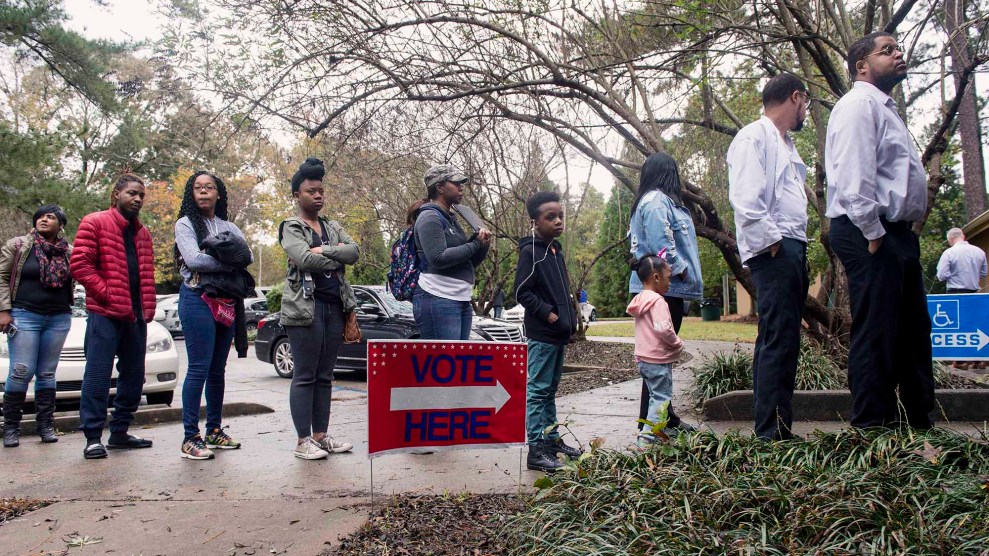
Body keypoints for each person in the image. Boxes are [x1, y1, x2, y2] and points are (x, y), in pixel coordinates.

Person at [825, 32, 935, 429]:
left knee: (913, 330)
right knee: (878, 330)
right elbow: (855, 180)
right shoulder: (857, 106)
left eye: (899, 48)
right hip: (869, 232)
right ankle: (872, 427)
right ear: (862, 66)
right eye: (887, 50)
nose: (898, 54)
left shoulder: (885, 108)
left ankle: (919, 423)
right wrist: (874, 233)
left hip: (896, 233)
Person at [727, 73, 811, 441]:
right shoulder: (753, 136)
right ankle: (769, 433)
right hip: (775, 249)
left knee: (785, 337)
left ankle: (778, 427)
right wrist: (774, 244)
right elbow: (747, 199)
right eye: (806, 102)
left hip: (792, 245)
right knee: (777, 337)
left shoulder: (787, 144)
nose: (806, 109)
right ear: (795, 97)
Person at [70, 173, 157, 459]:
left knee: (134, 376)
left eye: (141, 195)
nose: (137, 199)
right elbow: (80, 265)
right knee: (97, 375)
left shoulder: (142, 233)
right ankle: (93, 437)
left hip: (135, 315)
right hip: (104, 313)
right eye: (132, 193)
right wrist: (107, 293)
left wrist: (144, 307)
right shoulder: (95, 222)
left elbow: (145, 275)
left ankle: (119, 432)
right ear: (116, 194)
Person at [279, 157, 357, 460]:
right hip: (304, 309)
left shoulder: (331, 226)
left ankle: (321, 436)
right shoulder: (291, 226)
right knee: (305, 375)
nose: (318, 195)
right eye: (311, 191)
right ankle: (302, 441)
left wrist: (324, 250)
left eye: (321, 190)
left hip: (334, 306)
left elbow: (354, 253)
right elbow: (303, 259)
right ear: (298, 195)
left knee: (325, 375)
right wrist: (337, 257)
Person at [174, 171, 251, 460]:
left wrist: (227, 260)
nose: (204, 192)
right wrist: (230, 261)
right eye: (198, 187)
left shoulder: (229, 225)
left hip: (226, 301)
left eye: (210, 187)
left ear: (219, 193)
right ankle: (190, 436)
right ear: (191, 193)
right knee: (199, 368)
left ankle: (214, 430)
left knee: (218, 370)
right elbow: (193, 259)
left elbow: (249, 257)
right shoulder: (185, 224)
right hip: (197, 298)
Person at [628, 152, 701, 433]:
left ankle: (659, 420)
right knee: (659, 356)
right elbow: (662, 245)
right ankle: (658, 425)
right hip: (664, 288)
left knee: (656, 357)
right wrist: (681, 269)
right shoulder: (658, 201)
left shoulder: (646, 202)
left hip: (659, 286)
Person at [514, 191, 582, 472]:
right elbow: (522, 291)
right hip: (543, 334)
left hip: (557, 335)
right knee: (538, 391)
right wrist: (550, 314)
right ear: (535, 222)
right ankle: (536, 448)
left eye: (560, 216)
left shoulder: (555, 251)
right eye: (550, 217)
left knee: (550, 390)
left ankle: (552, 439)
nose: (557, 222)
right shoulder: (532, 252)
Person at [0, 205, 73, 447]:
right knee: (21, 370)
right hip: (24, 315)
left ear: (60, 224)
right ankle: (11, 428)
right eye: (40, 216)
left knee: (47, 373)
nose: (44, 219)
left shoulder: (68, 252)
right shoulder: (19, 245)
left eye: (50, 217)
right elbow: (1, 276)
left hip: (58, 317)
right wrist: (3, 310)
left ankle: (45, 425)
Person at [412, 164, 491, 340]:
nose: (461, 187)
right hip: (438, 298)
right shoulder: (429, 217)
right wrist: (475, 244)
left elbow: (467, 262)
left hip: (461, 299)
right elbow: (438, 258)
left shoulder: (452, 219)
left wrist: (483, 244)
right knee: (445, 364)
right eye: (455, 183)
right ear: (439, 187)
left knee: (457, 364)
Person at [627, 254, 683, 446]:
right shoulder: (658, 301)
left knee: (654, 398)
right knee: (661, 400)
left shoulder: (640, 300)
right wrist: (677, 343)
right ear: (656, 277)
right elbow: (663, 328)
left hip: (644, 360)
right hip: (658, 360)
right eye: (669, 277)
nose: (670, 282)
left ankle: (650, 434)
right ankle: (646, 440)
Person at [936, 227, 988, 370]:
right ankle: (978, 360)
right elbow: (984, 272)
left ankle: (960, 361)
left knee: (957, 326)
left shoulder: (949, 253)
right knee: (974, 324)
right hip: (973, 292)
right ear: (963, 236)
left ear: (950, 239)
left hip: (955, 292)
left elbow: (941, 275)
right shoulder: (979, 252)